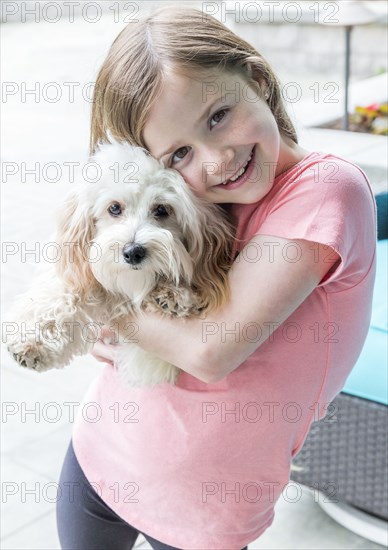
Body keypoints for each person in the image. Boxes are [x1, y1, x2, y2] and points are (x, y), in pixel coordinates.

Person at [56, 6, 377, 550]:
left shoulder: (325, 190)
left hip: (205, 502)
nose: (217, 159)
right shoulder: (195, 205)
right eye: (179, 153)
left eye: (219, 115)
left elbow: (210, 350)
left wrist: (99, 304)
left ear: (256, 78)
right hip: (101, 449)